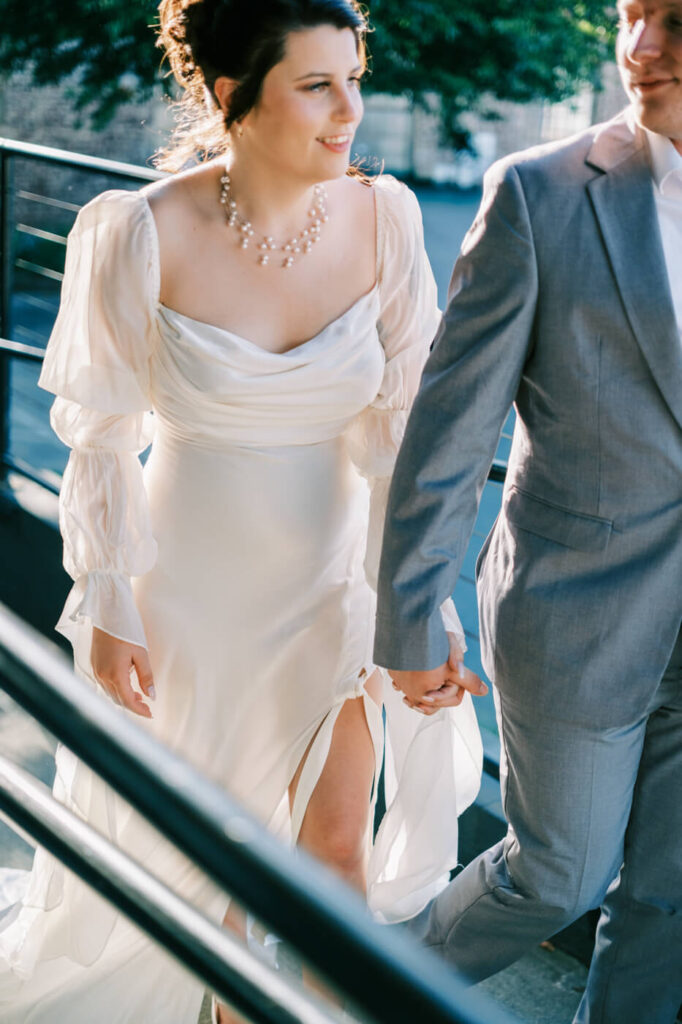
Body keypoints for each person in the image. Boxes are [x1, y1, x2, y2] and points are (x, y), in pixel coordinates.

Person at [0, 0, 485, 1021]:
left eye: (354, 79)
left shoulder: (385, 219)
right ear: (232, 95)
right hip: (188, 603)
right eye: (316, 85)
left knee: (335, 854)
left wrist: (420, 602)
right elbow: (98, 435)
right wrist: (110, 599)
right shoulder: (136, 232)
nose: (347, 110)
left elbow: (400, 433)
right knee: (205, 880)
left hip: (333, 590)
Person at [374, 0, 682, 1020]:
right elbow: (450, 430)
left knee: (669, 897)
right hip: (578, 607)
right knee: (556, 873)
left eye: (675, 20)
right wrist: (413, 614)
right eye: (630, 17)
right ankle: (355, 982)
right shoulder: (541, 194)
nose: (639, 50)